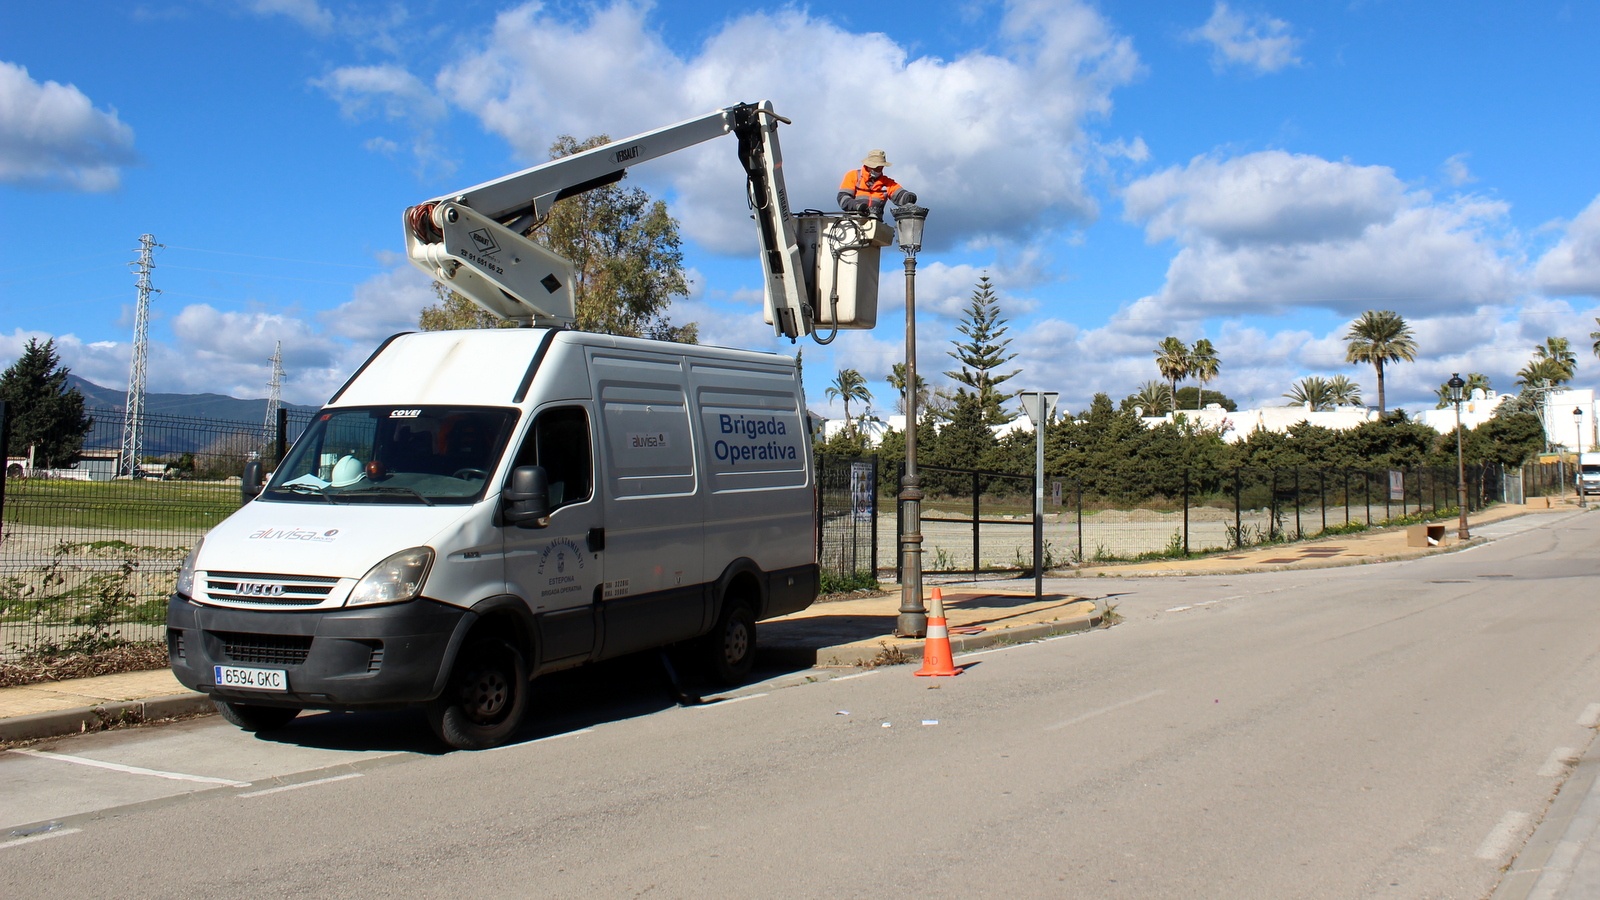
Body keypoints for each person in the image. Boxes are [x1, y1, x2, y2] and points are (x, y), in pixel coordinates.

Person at [838, 149, 916, 218]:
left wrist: (908, 197)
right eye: (877, 167)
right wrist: (857, 206)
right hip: (853, 223)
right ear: (868, 165)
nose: (879, 169)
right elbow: (843, 198)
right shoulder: (853, 176)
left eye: (881, 167)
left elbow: (899, 195)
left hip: (876, 226)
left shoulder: (886, 182)